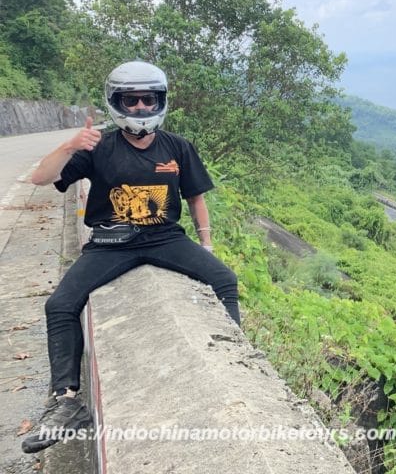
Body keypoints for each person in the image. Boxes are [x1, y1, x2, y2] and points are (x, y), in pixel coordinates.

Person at [20, 61, 240, 454]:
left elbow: (195, 198)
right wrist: (70, 145)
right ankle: (67, 402)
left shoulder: (177, 147)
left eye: (148, 99)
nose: (140, 106)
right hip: (110, 242)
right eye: (131, 99)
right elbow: (40, 178)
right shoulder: (98, 145)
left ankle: (234, 364)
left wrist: (206, 244)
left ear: (160, 101)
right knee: (60, 305)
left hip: (165, 238)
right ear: (116, 102)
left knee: (224, 279)